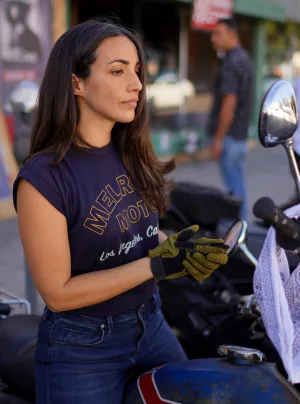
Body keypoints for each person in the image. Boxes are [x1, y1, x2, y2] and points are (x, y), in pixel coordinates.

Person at [13, 19, 229, 404]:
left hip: (151, 324)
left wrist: (178, 247)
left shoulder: (130, 150)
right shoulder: (42, 179)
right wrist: (157, 265)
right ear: (77, 83)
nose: (137, 85)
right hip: (81, 350)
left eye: (137, 70)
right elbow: (58, 293)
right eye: (117, 71)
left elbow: (141, 235)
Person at [207, 18, 253, 220]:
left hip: (230, 137)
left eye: (218, 33)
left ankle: (238, 234)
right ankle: (241, 229)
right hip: (239, 135)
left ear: (231, 34)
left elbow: (229, 105)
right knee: (238, 187)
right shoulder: (244, 58)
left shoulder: (231, 62)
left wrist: (218, 139)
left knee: (234, 192)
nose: (212, 38)